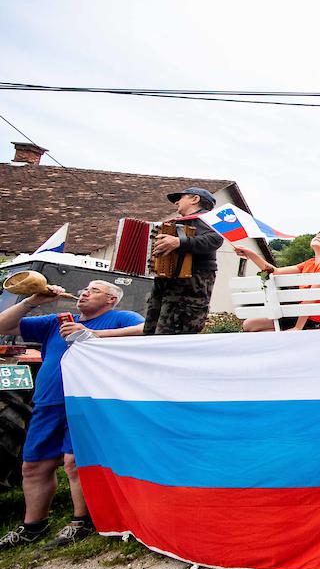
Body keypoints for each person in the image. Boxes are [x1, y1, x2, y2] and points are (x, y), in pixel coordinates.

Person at [0, 281, 143, 548]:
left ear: (111, 299)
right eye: (84, 289)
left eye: (95, 290)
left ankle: (81, 522)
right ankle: (33, 525)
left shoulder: (119, 318)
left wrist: (92, 334)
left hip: (85, 402)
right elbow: (2, 326)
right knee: (33, 465)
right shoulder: (55, 322)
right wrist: (32, 301)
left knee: (74, 462)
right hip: (48, 402)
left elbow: (146, 330)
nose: (84, 292)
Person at [143, 187, 226, 335]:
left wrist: (180, 242)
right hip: (167, 284)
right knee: (152, 332)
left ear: (195, 199)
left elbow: (216, 239)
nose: (176, 202)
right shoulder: (177, 223)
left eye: (180, 198)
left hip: (191, 284)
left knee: (174, 334)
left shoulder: (209, 219)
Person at [234, 229, 320, 331]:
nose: (319, 237)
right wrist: (251, 254)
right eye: (317, 235)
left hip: (314, 318)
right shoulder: (309, 263)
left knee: (251, 325)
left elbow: (311, 297)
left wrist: (297, 328)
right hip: (303, 314)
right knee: (250, 325)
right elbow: (275, 271)